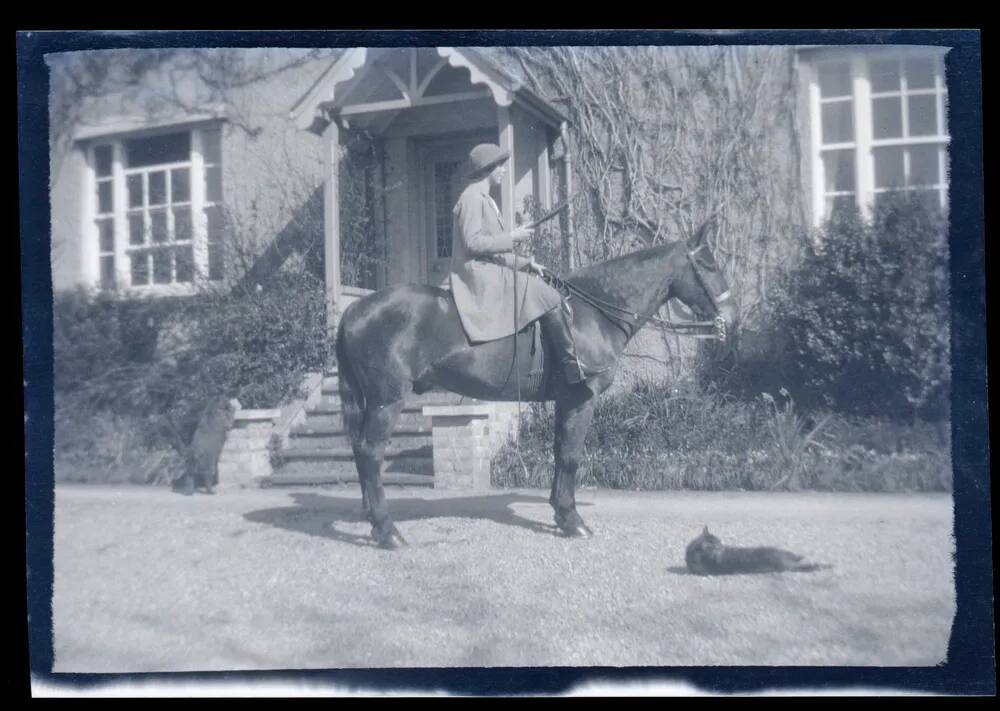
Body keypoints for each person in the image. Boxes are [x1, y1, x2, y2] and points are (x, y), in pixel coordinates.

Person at [450, 143, 587, 385]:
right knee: (549, 297)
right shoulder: (471, 198)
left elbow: (495, 251)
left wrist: (526, 264)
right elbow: (473, 244)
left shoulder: (486, 199)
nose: (503, 170)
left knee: (544, 287)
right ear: (487, 168)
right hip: (477, 274)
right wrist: (511, 238)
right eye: (499, 165)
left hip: (489, 268)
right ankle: (569, 365)